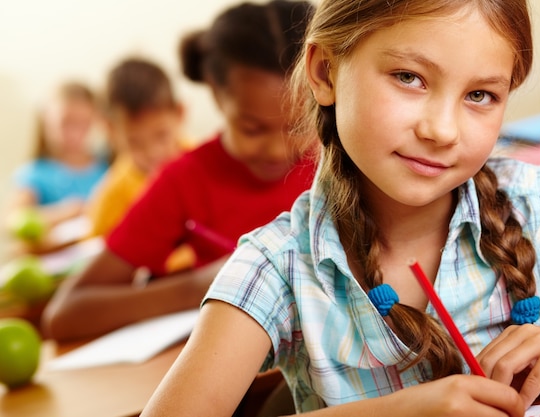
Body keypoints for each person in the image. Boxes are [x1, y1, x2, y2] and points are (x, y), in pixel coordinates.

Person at [139, 0, 540, 416]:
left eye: (480, 95)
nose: (442, 130)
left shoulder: (532, 205)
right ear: (325, 71)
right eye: (409, 77)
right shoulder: (279, 266)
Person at [41, 0, 317, 342]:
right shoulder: (185, 180)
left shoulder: (343, 158)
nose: (278, 150)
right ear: (217, 95)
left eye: (298, 125)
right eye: (252, 128)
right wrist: (198, 287)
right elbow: (64, 315)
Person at [86, 57, 195, 270]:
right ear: (110, 130)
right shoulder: (111, 197)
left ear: (180, 113)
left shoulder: (207, 164)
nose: (153, 152)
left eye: (162, 135)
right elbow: (98, 263)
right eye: (134, 142)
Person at [6, 81, 108, 251]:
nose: (74, 133)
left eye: (83, 123)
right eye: (66, 123)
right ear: (46, 121)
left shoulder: (107, 167)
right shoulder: (35, 173)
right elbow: (13, 220)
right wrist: (67, 212)